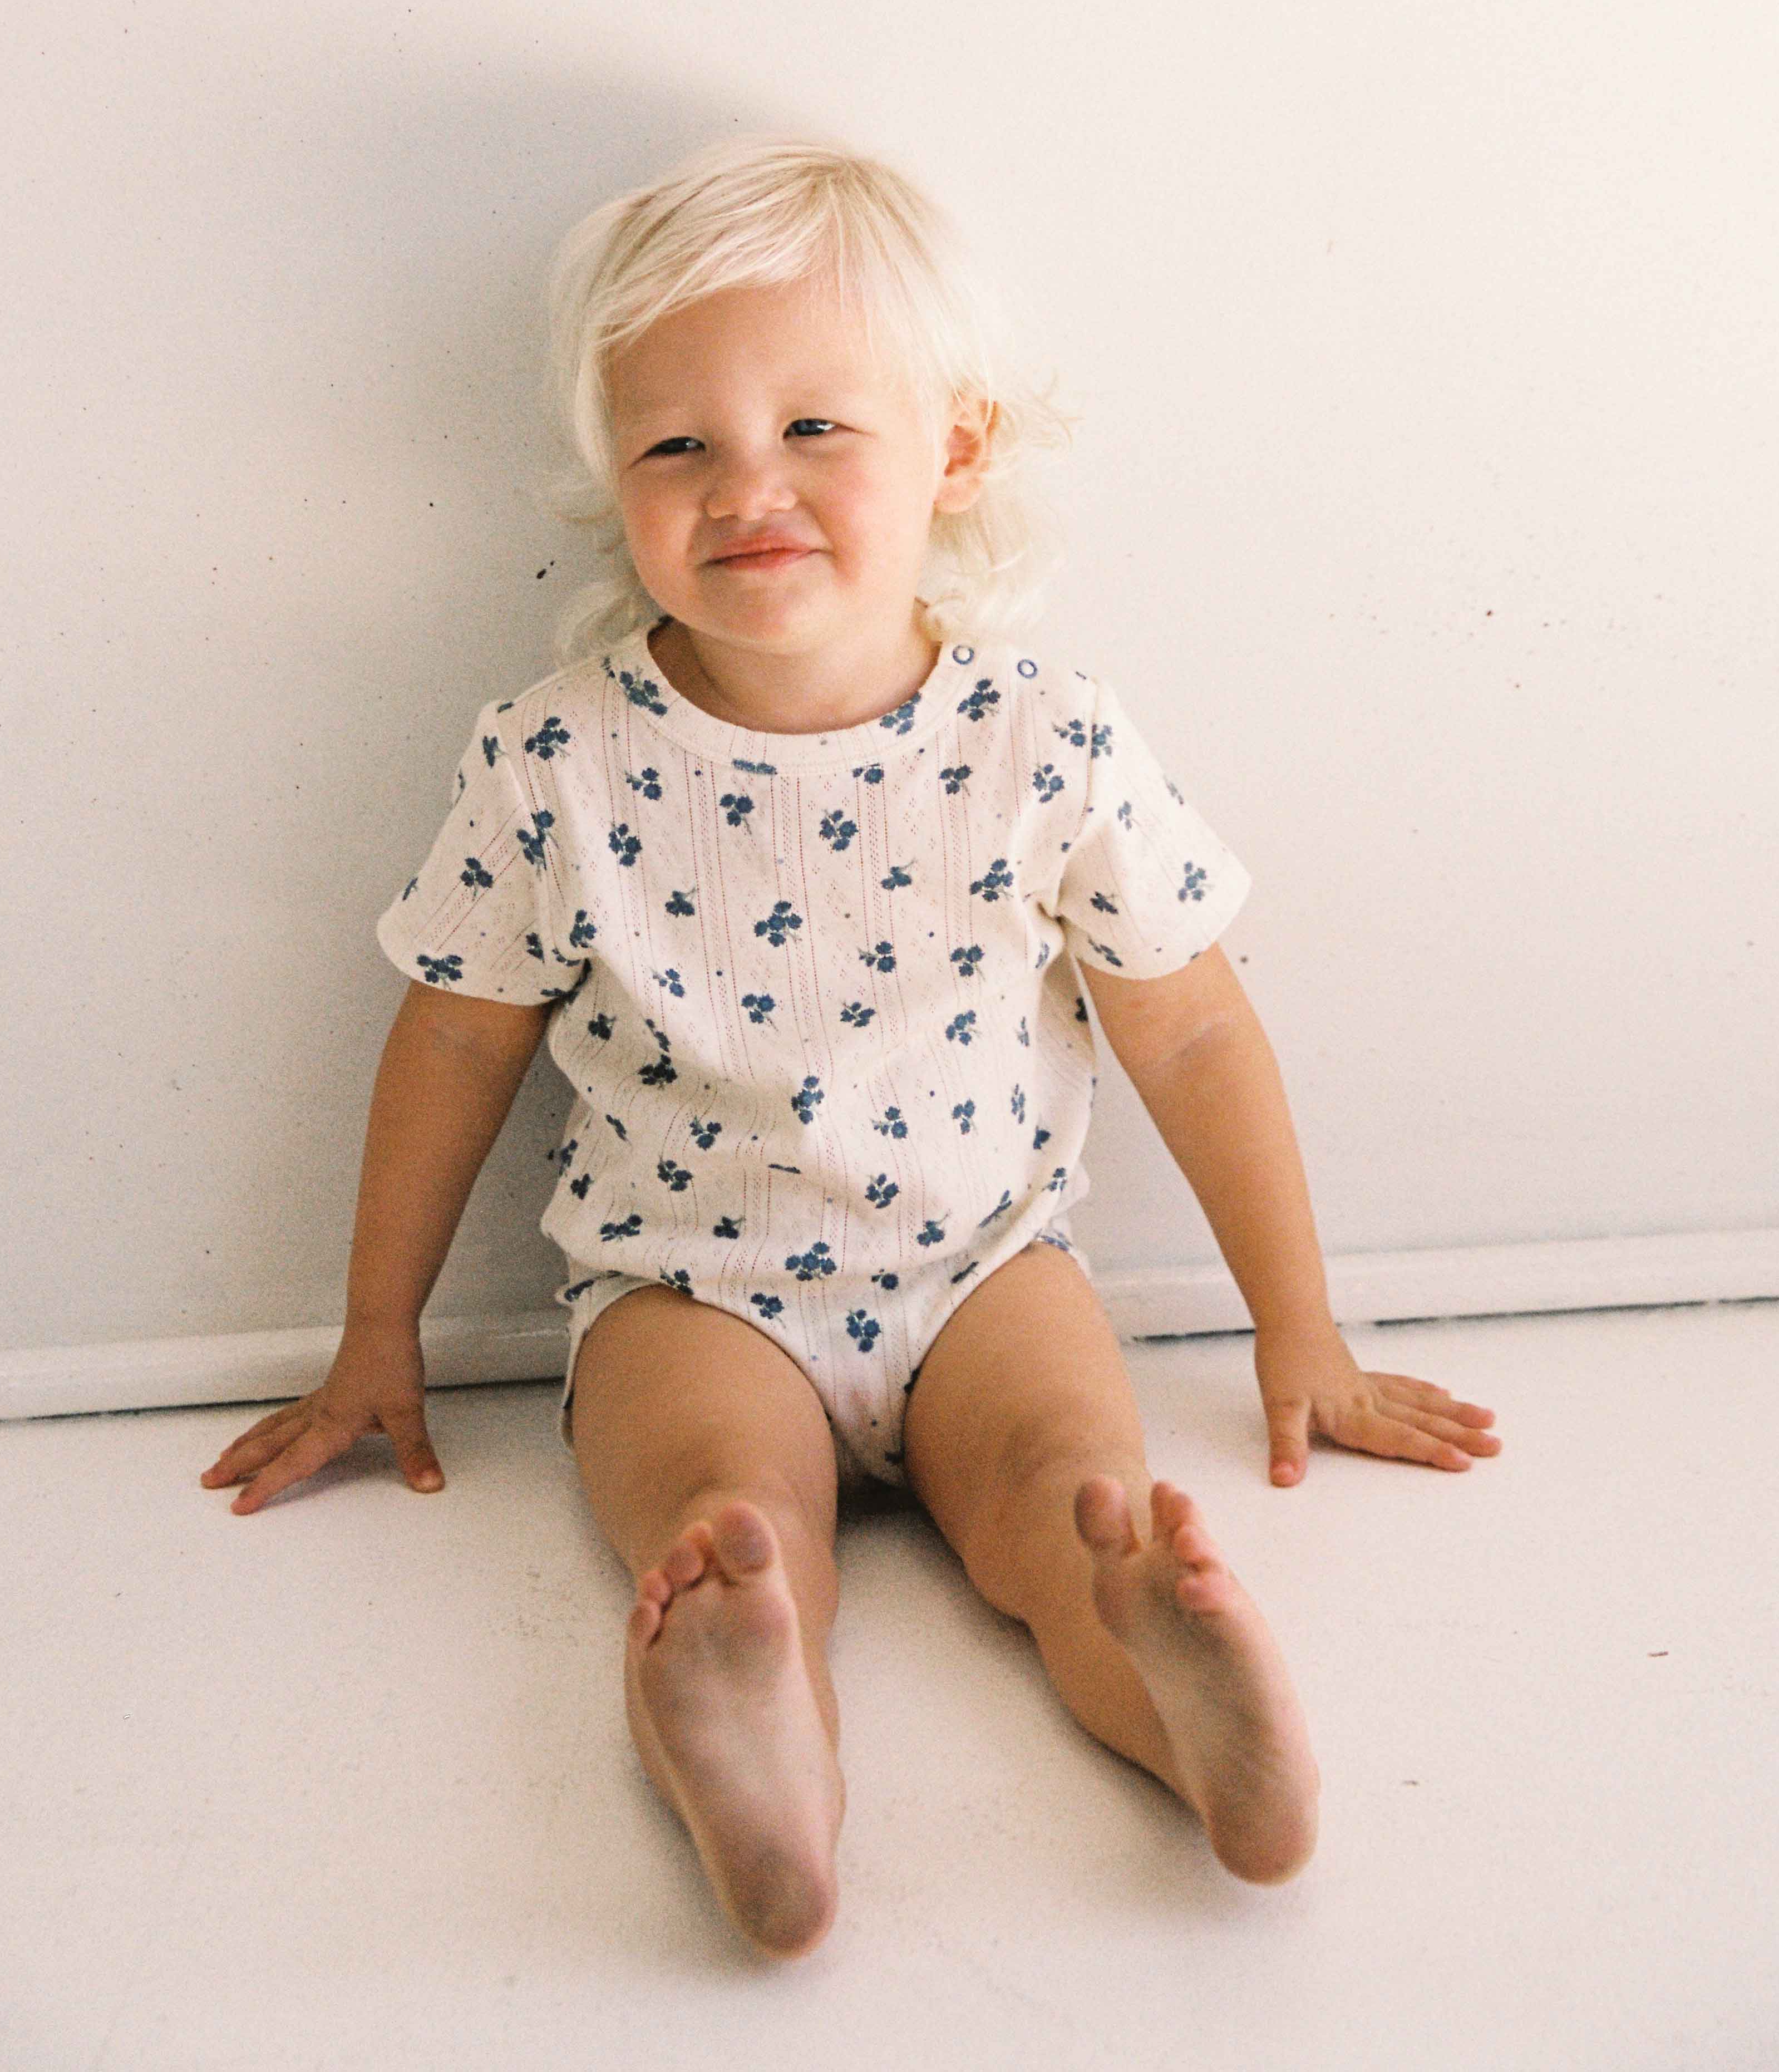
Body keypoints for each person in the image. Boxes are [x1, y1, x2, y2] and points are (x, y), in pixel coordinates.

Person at [200, 132, 1501, 1960]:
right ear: (614, 480)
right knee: (727, 1526)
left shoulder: (1040, 737)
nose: (749, 485)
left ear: (953, 453)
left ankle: (1191, 1699)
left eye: (817, 427)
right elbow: (452, 1040)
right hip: (684, 1292)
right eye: (678, 445)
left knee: (1067, 1505)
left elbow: (1192, 1028)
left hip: (983, 1274)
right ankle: (753, 1736)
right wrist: (370, 1340)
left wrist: (1303, 1329)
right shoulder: (558, 758)